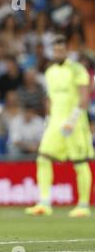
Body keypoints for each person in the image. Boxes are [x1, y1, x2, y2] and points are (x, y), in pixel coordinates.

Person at [25, 35, 93, 217]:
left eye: (61, 50)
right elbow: (50, 98)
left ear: (67, 50)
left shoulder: (78, 69)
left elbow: (84, 96)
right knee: (43, 158)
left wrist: (73, 119)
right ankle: (44, 203)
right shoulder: (50, 70)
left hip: (75, 123)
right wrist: (48, 119)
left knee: (80, 162)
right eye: (55, 50)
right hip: (55, 123)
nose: (58, 53)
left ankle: (83, 205)